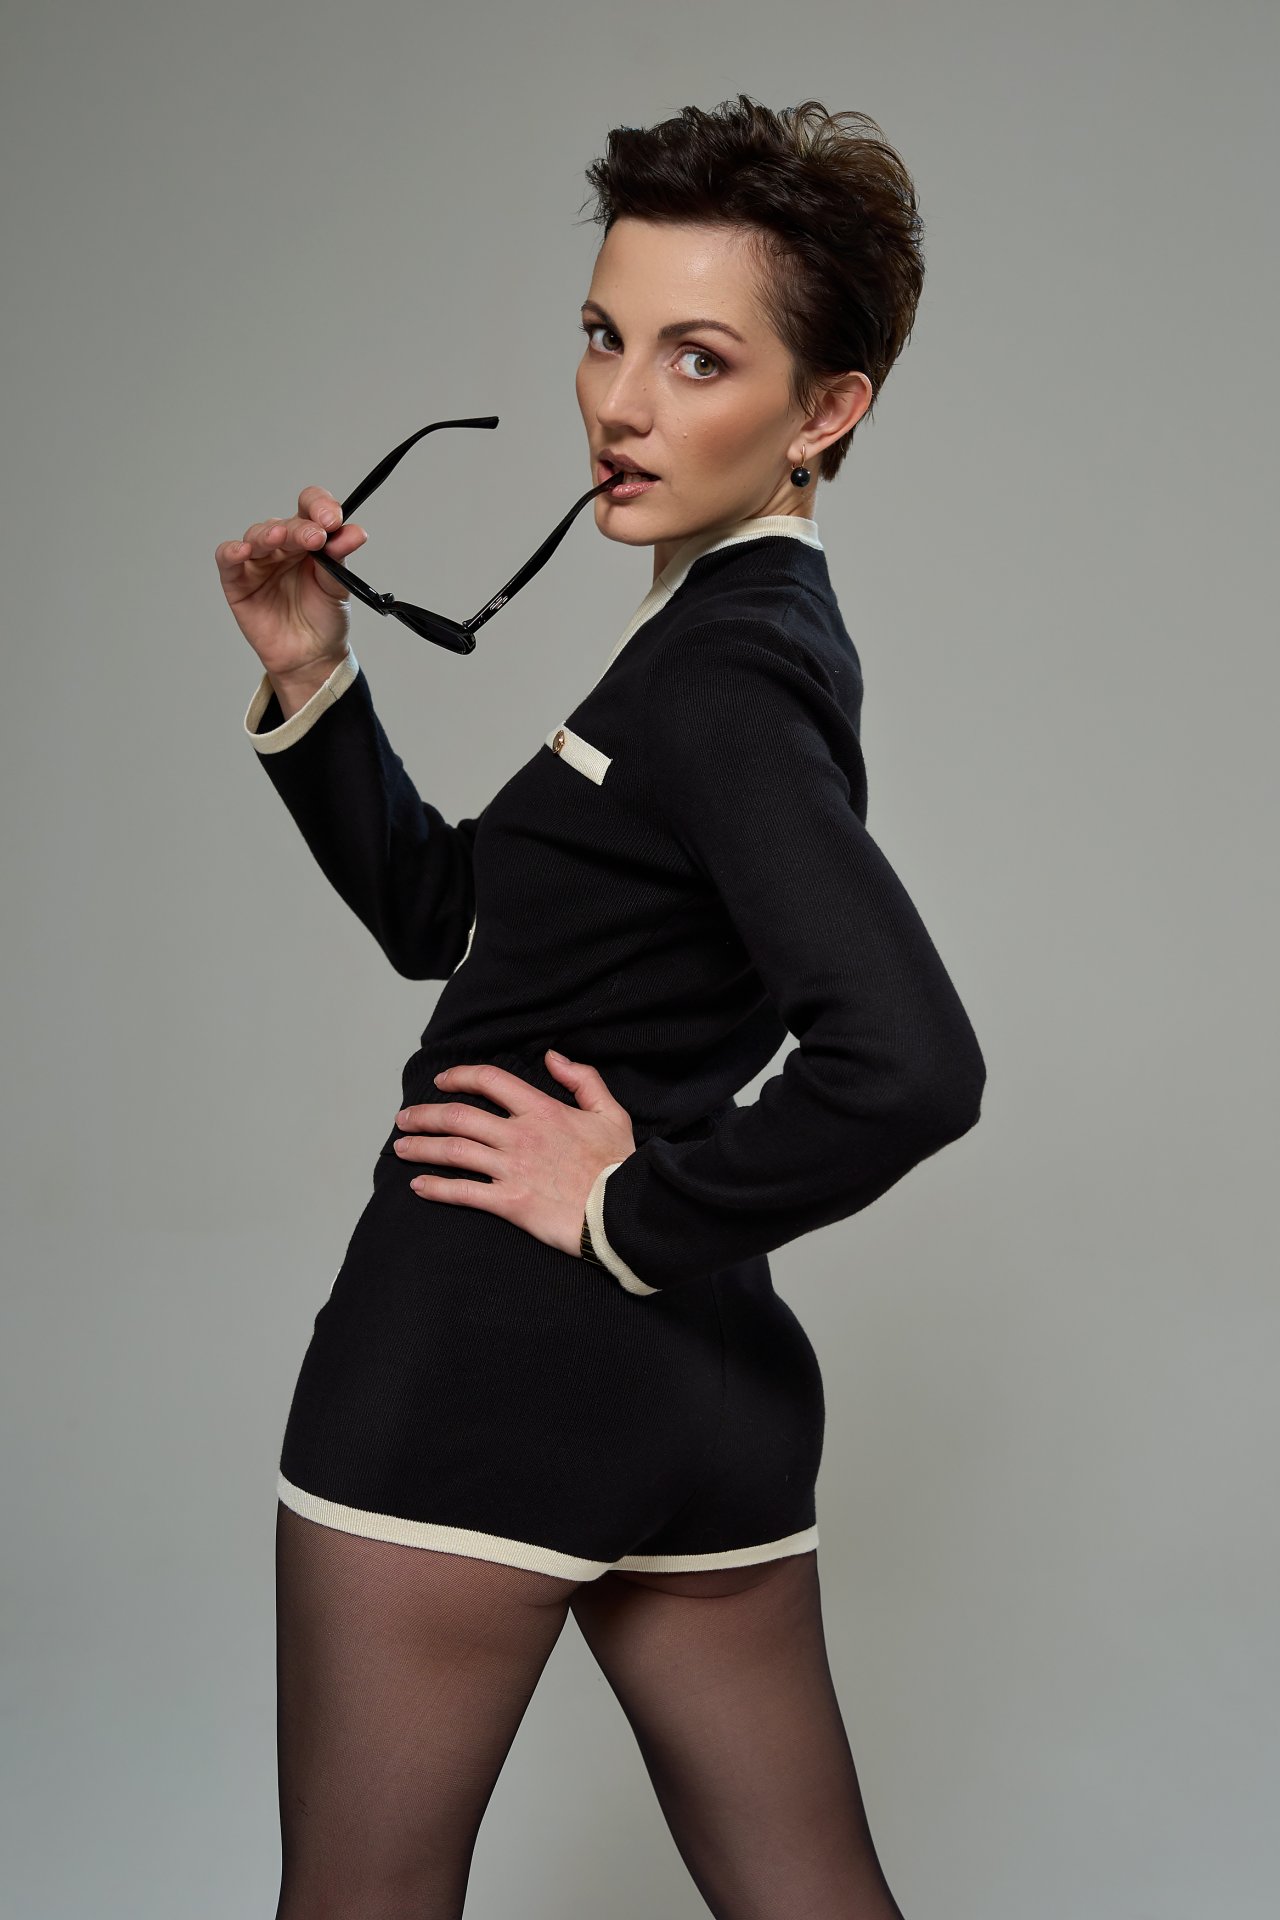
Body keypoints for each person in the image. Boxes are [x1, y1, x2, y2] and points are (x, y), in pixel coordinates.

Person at [215, 93, 985, 1920]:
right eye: (602, 335)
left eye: (698, 358)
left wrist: (624, 1208)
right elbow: (455, 917)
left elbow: (912, 1063)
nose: (621, 405)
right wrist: (315, 680)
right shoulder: (747, 636)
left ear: (825, 409)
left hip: (484, 1353)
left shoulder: (721, 674)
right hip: (698, 1376)